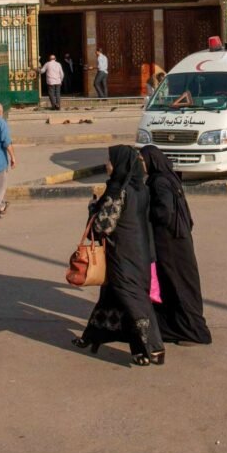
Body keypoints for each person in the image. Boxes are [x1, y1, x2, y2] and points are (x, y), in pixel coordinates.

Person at [72, 145, 165, 366]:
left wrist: (93, 209)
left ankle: (154, 347)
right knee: (112, 296)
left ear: (120, 164)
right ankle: (94, 336)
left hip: (123, 253)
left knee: (132, 297)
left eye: (110, 160)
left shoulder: (118, 191)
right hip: (140, 250)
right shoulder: (140, 188)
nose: (107, 164)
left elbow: (103, 227)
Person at [139, 145, 212, 346]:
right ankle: (182, 325)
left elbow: (164, 212)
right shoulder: (168, 177)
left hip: (170, 243)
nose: (141, 165)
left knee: (178, 285)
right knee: (182, 284)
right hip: (179, 240)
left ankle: (192, 331)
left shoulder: (159, 182)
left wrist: (144, 213)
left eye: (142, 161)